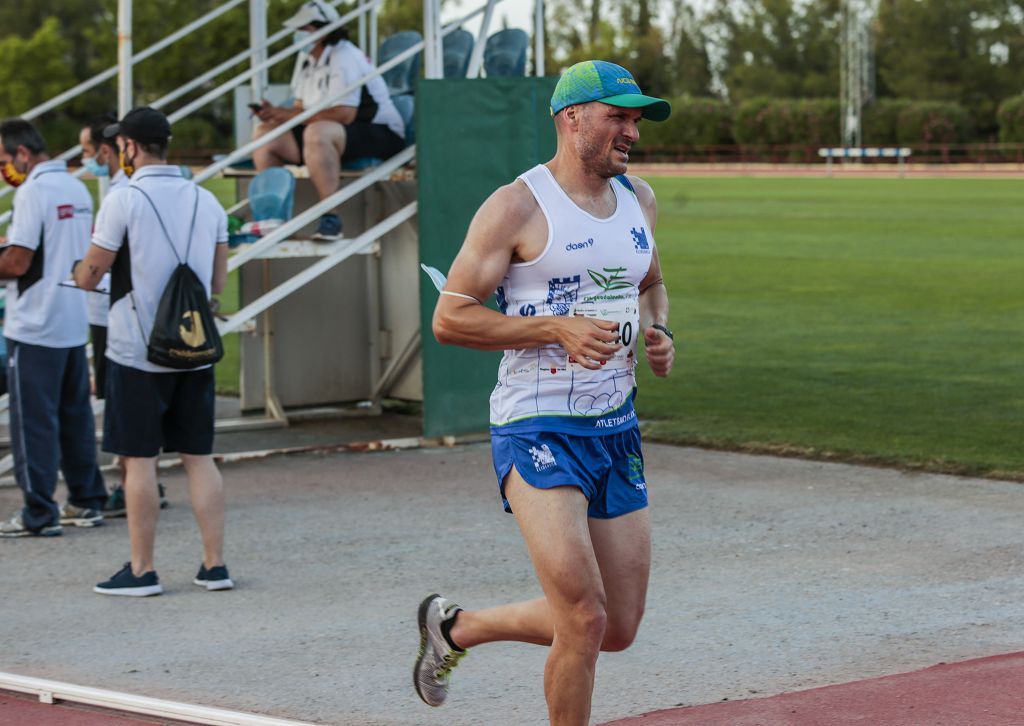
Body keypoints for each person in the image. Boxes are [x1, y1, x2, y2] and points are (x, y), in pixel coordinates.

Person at [413, 61, 675, 725]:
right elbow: (450, 319)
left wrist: (660, 329)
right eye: (618, 116)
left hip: (616, 426)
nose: (632, 131)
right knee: (584, 618)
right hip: (538, 427)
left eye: (636, 118)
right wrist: (553, 327)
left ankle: (457, 628)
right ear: (571, 118)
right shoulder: (517, 205)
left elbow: (650, 283)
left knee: (617, 627)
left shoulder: (639, 198)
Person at [73, 107, 232, 596]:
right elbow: (218, 282)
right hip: (195, 349)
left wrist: (81, 273)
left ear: (129, 147)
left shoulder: (123, 199)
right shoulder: (207, 200)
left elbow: (93, 272)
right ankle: (214, 566)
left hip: (136, 350)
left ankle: (142, 570)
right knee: (198, 457)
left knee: (139, 460)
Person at [0, 118, 107, 537]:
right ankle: (85, 499)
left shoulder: (31, 192)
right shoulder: (74, 186)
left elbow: (18, 263)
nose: (3, 171)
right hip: (71, 317)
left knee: (33, 423)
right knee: (75, 417)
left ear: (23, 154)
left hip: (35, 323)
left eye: (4, 161)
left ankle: (38, 512)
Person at [251, 0, 406, 240]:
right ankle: (272, 218)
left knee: (316, 132)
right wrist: (276, 115)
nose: (298, 35)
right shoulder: (308, 61)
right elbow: (300, 109)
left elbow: (345, 114)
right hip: (331, 135)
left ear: (322, 30)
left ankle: (331, 217)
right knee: (265, 134)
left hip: (380, 133)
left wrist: (289, 115)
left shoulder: (345, 56)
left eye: (304, 29)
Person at [79, 114, 168, 518]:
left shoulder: (126, 192)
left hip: (119, 310)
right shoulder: (120, 188)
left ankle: (134, 482)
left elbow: (98, 264)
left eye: (89, 150)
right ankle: (135, 479)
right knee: (117, 401)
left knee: (125, 406)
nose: (89, 159)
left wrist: (83, 270)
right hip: (112, 307)